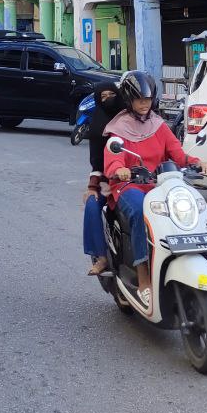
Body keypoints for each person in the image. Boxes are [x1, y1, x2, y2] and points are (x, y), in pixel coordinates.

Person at [103, 70, 207, 307]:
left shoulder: (158, 125)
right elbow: (113, 159)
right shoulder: (118, 128)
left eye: (148, 99)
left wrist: (197, 163)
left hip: (158, 185)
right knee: (140, 212)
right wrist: (119, 169)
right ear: (129, 99)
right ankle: (143, 276)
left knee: (184, 208)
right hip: (128, 186)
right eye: (140, 99)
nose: (144, 104)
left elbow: (178, 155)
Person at [83, 83, 121, 276]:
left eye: (111, 95)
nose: (108, 99)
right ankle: (101, 256)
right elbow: (96, 162)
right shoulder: (98, 121)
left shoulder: (129, 117)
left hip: (135, 179)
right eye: (103, 96)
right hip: (107, 181)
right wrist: (92, 186)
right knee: (91, 204)